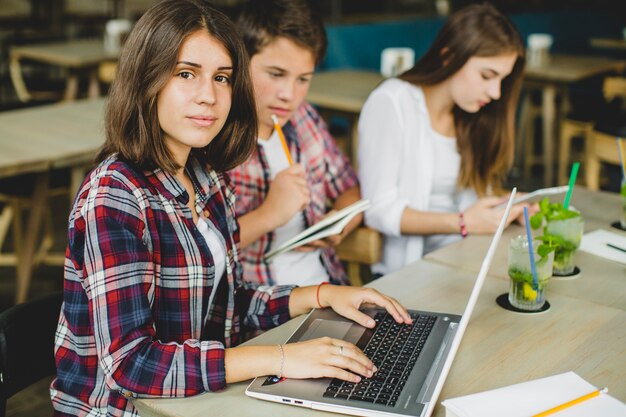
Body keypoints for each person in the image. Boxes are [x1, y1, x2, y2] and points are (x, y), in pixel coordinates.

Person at [50, 1, 411, 416]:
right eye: (186, 74)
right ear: (146, 79)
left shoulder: (206, 176)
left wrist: (323, 294)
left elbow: (224, 303)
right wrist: (281, 358)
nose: (209, 96)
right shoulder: (114, 196)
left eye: (222, 78)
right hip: (123, 409)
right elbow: (134, 365)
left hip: (197, 397)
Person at [358, 3, 528, 276]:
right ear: (449, 56)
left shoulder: (471, 114)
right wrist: (463, 222)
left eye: (502, 80)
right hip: (410, 273)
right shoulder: (392, 102)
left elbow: (467, 199)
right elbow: (378, 210)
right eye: (487, 76)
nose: (496, 92)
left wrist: (500, 207)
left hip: (465, 256)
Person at [227, 0, 361, 287]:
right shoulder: (215, 140)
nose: (290, 94)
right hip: (258, 308)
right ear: (239, 63)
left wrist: (339, 223)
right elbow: (199, 251)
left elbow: (350, 189)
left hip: (328, 285)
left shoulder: (304, 118)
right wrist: (269, 213)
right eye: (276, 74)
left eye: (303, 79)